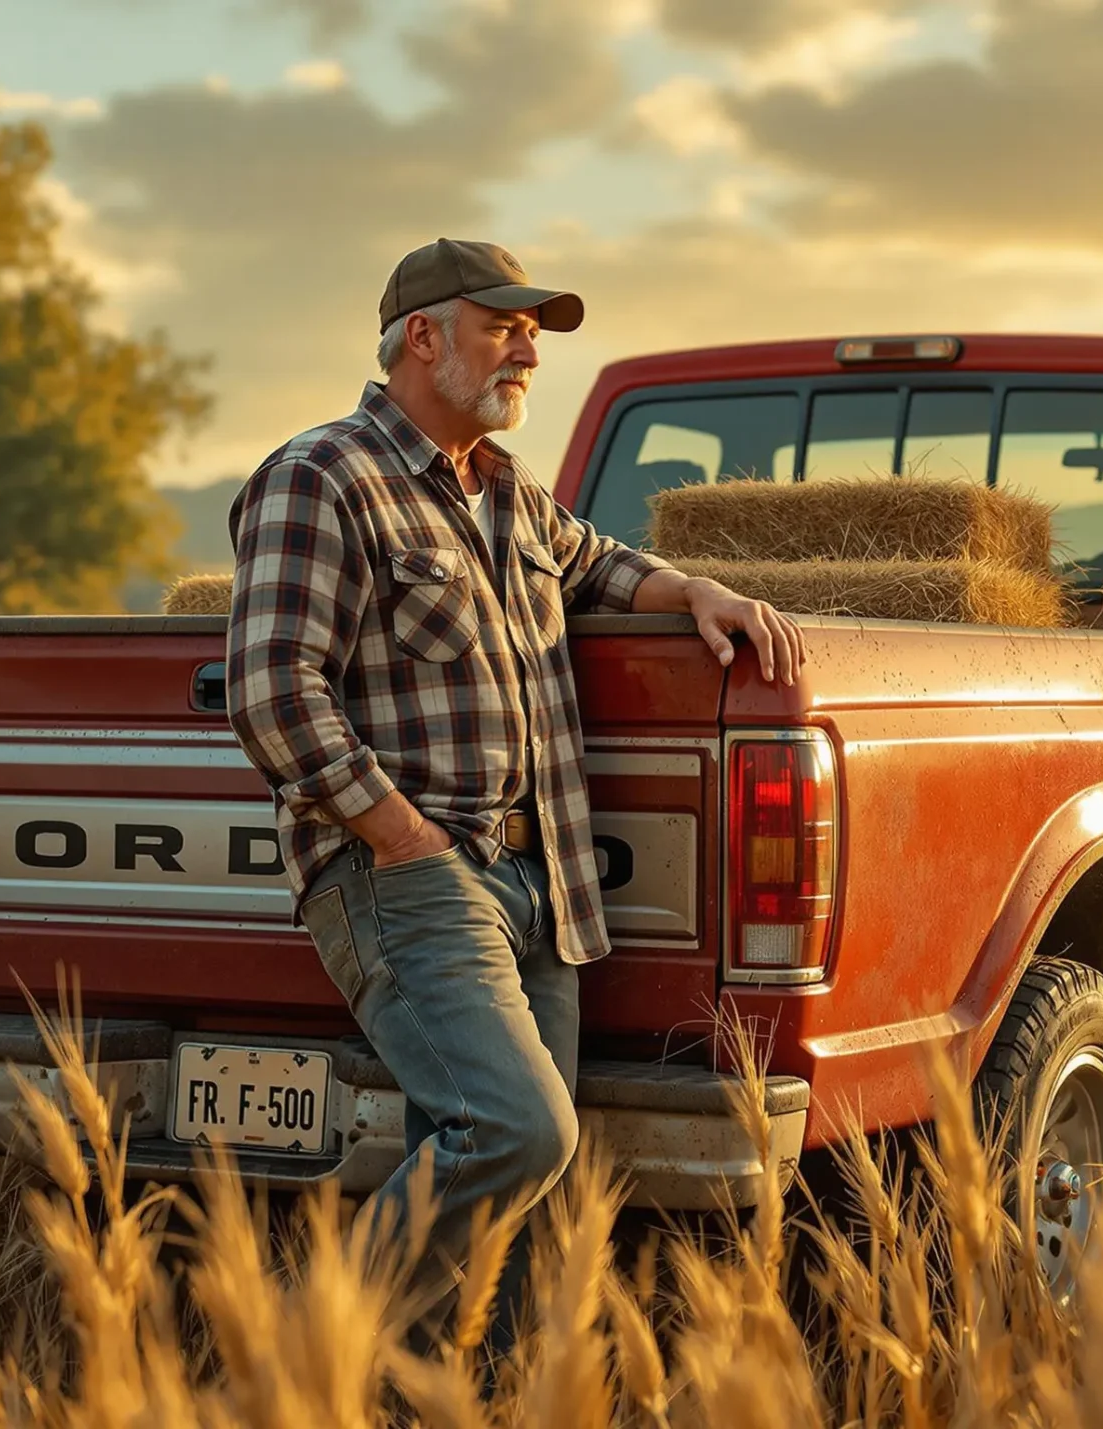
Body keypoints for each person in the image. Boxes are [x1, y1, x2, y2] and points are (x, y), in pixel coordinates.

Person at [223, 238, 805, 1342]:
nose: (530, 347)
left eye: (535, 328)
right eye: (504, 323)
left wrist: (695, 587)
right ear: (422, 337)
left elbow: (596, 563)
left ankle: (459, 1395)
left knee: (530, 1205)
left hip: (543, 881)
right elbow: (271, 690)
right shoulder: (323, 476)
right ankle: (303, 1368)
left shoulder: (503, 492)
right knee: (516, 1132)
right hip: (416, 875)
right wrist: (400, 839)